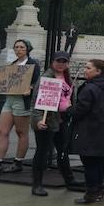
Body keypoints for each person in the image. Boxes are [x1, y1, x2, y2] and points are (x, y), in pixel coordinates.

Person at [68, 59, 104, 204]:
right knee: (100, 163)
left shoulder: (90, 88)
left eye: (88, 68)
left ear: (98, 71)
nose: (85, 70)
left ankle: (91, 193)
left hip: (91, 131)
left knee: (90, 163)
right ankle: (98, 190)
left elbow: (80, 110)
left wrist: (68, 109)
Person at [0, 38, 40, 175]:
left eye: (22, 47)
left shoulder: (33, 64)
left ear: (27, 49)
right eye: (16, 47)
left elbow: (37, 81)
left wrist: (30, 88)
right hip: (10, 99)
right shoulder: (13, 64)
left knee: (21, 132)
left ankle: (18, 161)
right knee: (1, 131)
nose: (19, 50)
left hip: (22, 100)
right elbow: (3, 81)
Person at [31, 52, 76, 195]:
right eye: (58, 61)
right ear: (52, 62)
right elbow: (37, 101)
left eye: (64, 61)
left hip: (62, 119)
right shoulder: (46, 77)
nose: (61, 64)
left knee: (63, 150)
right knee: (42, 152)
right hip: (47, 119)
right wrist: (38, 120)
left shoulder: (68, 78)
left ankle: (69, 179)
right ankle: (37, 184)